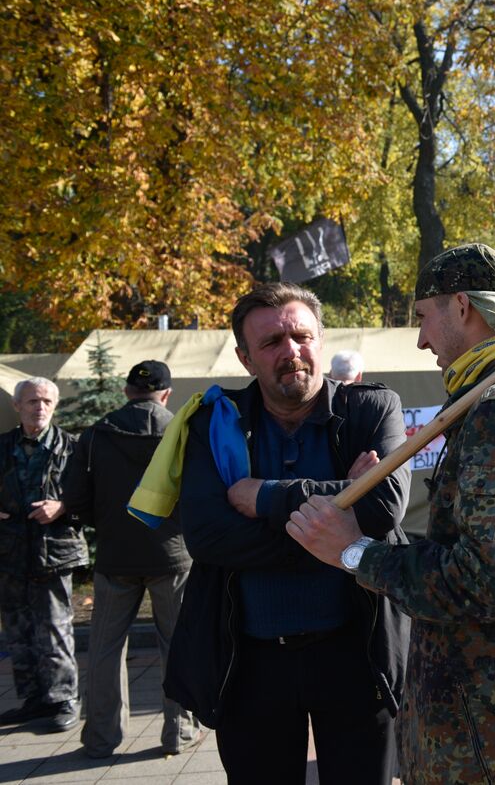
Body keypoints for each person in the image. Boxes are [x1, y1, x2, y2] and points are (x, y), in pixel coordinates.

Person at [284, 243, 495, 784]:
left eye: (424, 317)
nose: (421, 339)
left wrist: (355, 552)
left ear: (462, 307)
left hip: (482, 719)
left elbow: (487, 584)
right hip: (493, 708)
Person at [163, 283, 411, 785]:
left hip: (357, 654)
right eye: (272, 342)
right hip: (249, 663)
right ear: (245, 357)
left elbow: (384, 507)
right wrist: (339, 518)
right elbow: (208, 537)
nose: (291, 352)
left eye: (301, 336)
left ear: (320, 339)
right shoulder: (215, 422)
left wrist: (265, 497)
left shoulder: (372, 409)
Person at [65, 361, 199, 758]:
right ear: (166, 394)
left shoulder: (95, 435)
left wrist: (105, 526)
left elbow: (74, 498)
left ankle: (102, 738)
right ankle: (179, 732)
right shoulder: (185, 431)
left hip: (114, 556)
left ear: (126, 392)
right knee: (177, 645)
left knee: (105, 648)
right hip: (173, 556)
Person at [0, 377, 84, 732]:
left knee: (55, 627)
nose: (40, 407)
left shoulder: (72, 447)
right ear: (17, 405)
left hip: (54, 548)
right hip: (10, 550)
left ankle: (64, 699)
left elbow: (91, 496)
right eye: (33, 401)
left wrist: (63, 506)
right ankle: (33, 699)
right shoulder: (2, 446)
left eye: (47, 401)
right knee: (18, 629)